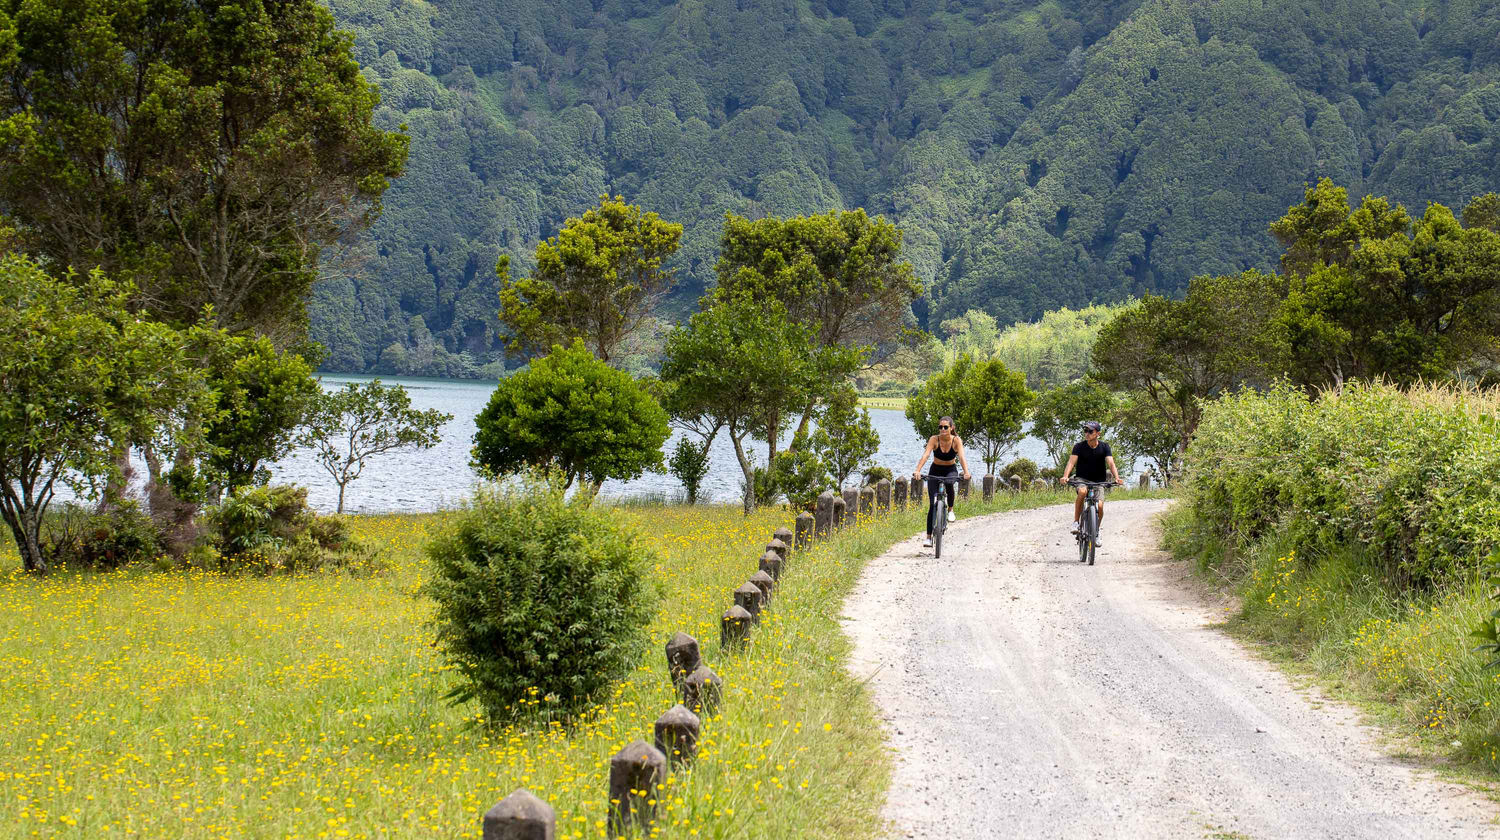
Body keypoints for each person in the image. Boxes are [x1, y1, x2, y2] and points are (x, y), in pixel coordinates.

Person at [912, 416, 972, 548]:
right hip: (935, 470)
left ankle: (950, 510)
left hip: (950, 469)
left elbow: (961, 457)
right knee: (932, 504)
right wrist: (917, 470)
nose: (943, 429)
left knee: (950, 483)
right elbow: (926, 455)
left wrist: (966, 472)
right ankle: (928, 537)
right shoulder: (934, 439)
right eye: (940, 427)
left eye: (946, 427)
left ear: (951, 428)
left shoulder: (956, 440)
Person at [1059, 420, 1123, 543]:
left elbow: (1110, 463)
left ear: (1097, 433)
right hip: (1082, 479)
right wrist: (1065, 476)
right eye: (1085, 431)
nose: (1087, 433)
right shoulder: (1079, 446)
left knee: (1100, 505)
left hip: (1099, 481)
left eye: (1090, 431)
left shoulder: (1105, 447)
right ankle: (1076, 522)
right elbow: (1071, 462)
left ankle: (1096, 532)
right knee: (1082, 492)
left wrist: (1117, 478)